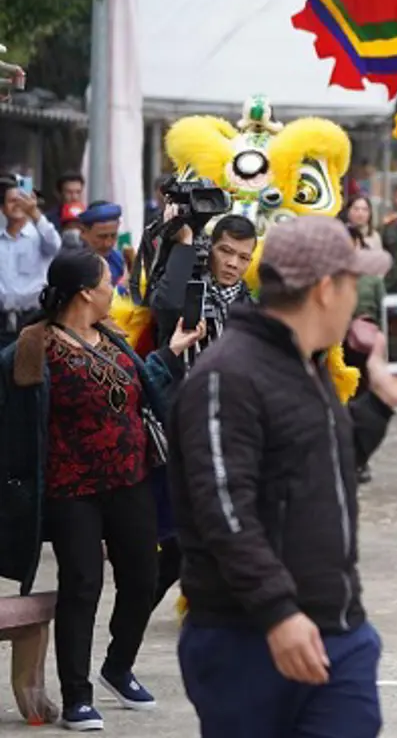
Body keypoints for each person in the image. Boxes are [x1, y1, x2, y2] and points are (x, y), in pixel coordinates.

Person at [167, 217, 397, 738]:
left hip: (335, 626)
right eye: (354, 284)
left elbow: (326, 459)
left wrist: (379, 403)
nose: (358, 299)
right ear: (327, 290)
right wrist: (278, 613)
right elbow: (224, 508)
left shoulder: (305, 364)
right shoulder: (226, 375)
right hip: (250, 637)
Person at [0, 249, 203, 731]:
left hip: (129, 479)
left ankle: (118, 665)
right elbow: (13, 420)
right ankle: (77, 697)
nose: (116, 286)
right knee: (82, 586)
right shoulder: (34, 346)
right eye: (110, 280)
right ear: (86, 292)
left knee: (142, 574)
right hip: (72, 489)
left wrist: (170, 353)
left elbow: (139, 387)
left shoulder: (111, 338)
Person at [152, 213, 258, 367]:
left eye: (243, 258)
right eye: (225, 251)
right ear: (210, 248)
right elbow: (166, 306)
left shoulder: (253, 311)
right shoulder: (185, 288)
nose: (233, 263)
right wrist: (185, 242)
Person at [0, 179, 63, 346]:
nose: (18, 204)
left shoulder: (40, 236)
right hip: (3, 321)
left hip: (33, 318)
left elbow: (56, 245)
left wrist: (34, 212)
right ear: (3, 208)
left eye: (22, 199)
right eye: (12, 200)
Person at [75, 202, 126, 289]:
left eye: (113, 236)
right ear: (83, 232)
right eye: (102, 237)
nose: (108, 243)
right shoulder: (73, 265)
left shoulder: (120, 260)